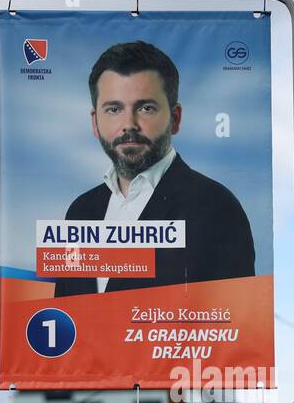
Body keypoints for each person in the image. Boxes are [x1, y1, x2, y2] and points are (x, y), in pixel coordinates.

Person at [52, 40, 256, 296]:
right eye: (114, 109)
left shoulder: (216, 207)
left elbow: (237, 325)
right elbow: (65, 318)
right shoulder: (80, 212)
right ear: (95, 122)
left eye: (145, 108)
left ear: (175, 118)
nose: (129, 124)